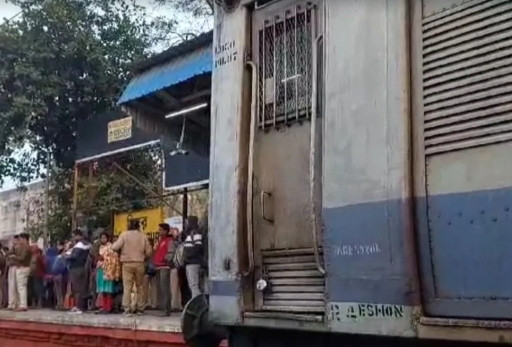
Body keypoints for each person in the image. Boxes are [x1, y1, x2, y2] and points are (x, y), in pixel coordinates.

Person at [112, 219, 152, 315]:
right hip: (139, 263)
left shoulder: (124, 235)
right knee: (140, 287)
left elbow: (115, 247)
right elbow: (149, 251)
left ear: (129, 225)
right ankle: (140, 308)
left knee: (127, 287)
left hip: (127, 263)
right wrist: (143, 256)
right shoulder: (143, 236)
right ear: (138, 226)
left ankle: (127, 308)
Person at [152, 223, 181, 315]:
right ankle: (163, 307)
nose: (159, 231)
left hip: (164, 266)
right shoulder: (161, 240)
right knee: (160, 288)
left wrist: (165, 258)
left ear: (165, 231)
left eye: (160, 230)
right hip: (158, 266)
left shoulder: (169, 240)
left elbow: (171, 252)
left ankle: (166, 309)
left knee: (165, 288)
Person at [66, 230, 91, 314]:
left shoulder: (79, 245)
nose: (73, 238)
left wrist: (66, 256)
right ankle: (82, 306)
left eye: (74, 236)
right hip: (83, 267)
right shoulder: (87, 244)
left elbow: (74, 256)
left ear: (78, 236)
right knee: (82, 288)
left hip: (76, 268)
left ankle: (79, 307)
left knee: (77, 288)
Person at [7, 233, 32, 311]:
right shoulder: (24, 247)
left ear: (24, 239)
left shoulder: (26, 248)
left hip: (23, 267)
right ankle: (21, 304)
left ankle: (23, 305)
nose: (19, 241)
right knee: (20, 287)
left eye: (20, 239)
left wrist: (14, 257)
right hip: (22, 267)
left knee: (21, 287)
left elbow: (22, 258)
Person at [95, 232, 119, 313]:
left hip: (108, 270)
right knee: (103, 291)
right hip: (101, 270)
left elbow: (113, 258)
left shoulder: (111, 247)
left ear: (107, 238)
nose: (103, 239)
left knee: (108, 290)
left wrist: (103, 258)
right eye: (101, 238)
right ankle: (104, 307)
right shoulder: (101, 247)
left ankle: (108, 307)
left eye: (104, 238)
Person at [183, 216, 204, 299]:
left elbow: (198, 247)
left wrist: (188, 255)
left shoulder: (196, 233)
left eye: (187, 223)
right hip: (190, 263)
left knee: (194, 285)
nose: (185, 225)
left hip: (193, 262)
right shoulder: (190, 233)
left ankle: (198, 303)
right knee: (192, 285)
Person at [52, 242, 68, 310]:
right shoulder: (62, 258)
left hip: (55, 275)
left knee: (58, 291)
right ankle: (61, 304)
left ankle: (59, 304)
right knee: (62, 291)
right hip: (60, 275)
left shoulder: (56, 258)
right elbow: (65, 266)